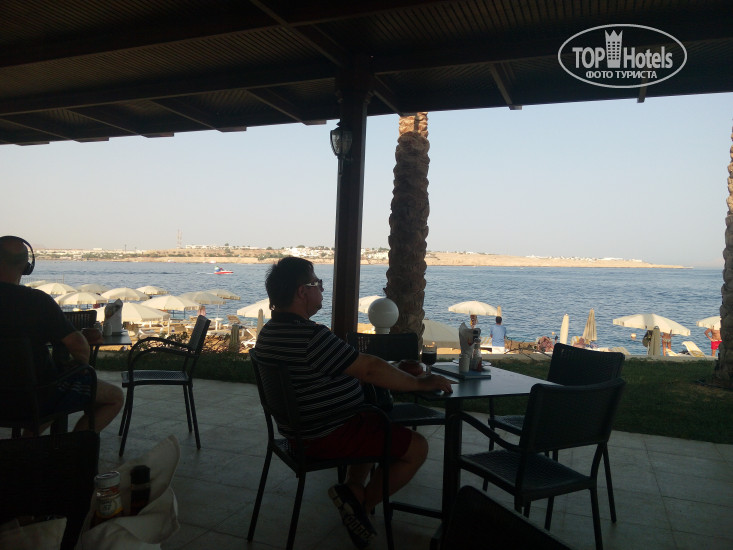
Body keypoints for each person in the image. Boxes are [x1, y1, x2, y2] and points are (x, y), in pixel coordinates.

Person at [253, 257, 454, 549]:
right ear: (302, 292)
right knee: (417, 447)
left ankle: (353, 489)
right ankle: (360, 505)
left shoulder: (269, 334)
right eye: (317, 283)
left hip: (301, 431)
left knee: (372, 423)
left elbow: (339, 369)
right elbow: (369, 369)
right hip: (327, 434)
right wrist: (419, 383)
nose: (322, 288)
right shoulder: (311, 337)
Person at [0, 235, 124, 434]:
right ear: (26, 267)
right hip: (37, 398)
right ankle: (72, 448)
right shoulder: (37, 302)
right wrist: (79, 366)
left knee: (51, 391)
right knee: (114, 397)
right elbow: (78, 346)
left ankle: (27, 443)